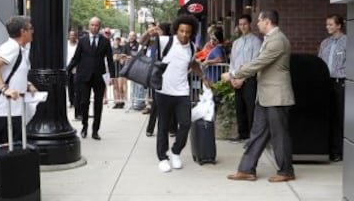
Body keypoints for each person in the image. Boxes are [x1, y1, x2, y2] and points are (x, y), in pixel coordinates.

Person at [224, 10, 295, 182]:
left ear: (268, 21)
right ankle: (247, 169)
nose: (257, 24)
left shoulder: (277, 40)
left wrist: (234, 73)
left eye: (259, 20)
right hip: (265, 96)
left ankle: (286, 171)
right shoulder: (270, 39)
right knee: (257, 133)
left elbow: (259, 62)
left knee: (279, 135)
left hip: (276, 96)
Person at [142, 15, 210, 172]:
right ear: (176, 30)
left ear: (192, 32)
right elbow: (142, 43)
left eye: (188, 32)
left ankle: (176, 151)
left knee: (185, 123)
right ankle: (162, 158)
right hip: (163, 91)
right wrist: (148, 33)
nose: (184, 34)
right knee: (163, 126)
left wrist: (203, 77)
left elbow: (193, 64)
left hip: (182, 92)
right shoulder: (166, 41)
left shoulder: (192, 47)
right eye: (181, 31)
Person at [67, 17, 115, 140]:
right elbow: (76, 58)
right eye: (92, 25)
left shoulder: (105, 41)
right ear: (89, 26)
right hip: (84, 76)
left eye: (96, 25)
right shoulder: (82, 41)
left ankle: (95, 130)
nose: (94, 27)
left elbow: (110, 60)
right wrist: (67, 69)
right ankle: (84, 126)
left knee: (98, 104)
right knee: (84, 102)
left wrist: (112, 77)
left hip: (99, 77)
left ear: (100, 27)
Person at [0, 15, 37, 145]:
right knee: (5, 154)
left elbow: (14, 72)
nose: (32, 31)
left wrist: (28, 84)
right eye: (30, 28)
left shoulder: (20, 49)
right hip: (6, 112)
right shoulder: (11, 47)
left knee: (13, 154)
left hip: (14, 111)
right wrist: (4, 89)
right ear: (23, 31)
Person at [226, 14, 261, 143]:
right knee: (239, 107)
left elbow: (255, 62)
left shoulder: (256, 42)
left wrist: (243, 78)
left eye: (245, 24)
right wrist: (232, 78)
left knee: (250, 108)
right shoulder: (236, 43)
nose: (243, 27)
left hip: (249, 80)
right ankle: (242, 134)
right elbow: (233, 62)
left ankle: (252, 137)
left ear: (250, 24)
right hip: (236, 80)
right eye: (240, 25)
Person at [318, 14, 347, 162]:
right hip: (326, 83)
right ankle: (328, 150)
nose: (328, 27)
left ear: (339, 25)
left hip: (340, 82)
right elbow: (320, 62)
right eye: (327, 24)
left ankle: (339, 151)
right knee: (327, 116)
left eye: (330, 24)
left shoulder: (348, 42)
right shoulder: (325, 43)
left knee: (339, 117)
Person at [112, 37, 126, 109]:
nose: (117, 41)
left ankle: (121, 101)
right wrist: (117, 57)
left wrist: (118, 57)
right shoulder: (112, 49)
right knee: (115, 87)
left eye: (118, 40)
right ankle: (116, 102)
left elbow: (123, 58)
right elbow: (112, 58)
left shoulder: (122, 48)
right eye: (115, 40)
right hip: (113, 69)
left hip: (120, 69)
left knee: (120, 86)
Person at [66, 30, 78, 115]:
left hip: (76, 68)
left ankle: (76, 101)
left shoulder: (78, 45)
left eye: (73, 35)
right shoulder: (66, 45)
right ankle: (71, 101)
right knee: (70, 86)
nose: (72, 37)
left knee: (76, 86)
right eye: (70, 35)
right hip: (68, 68)